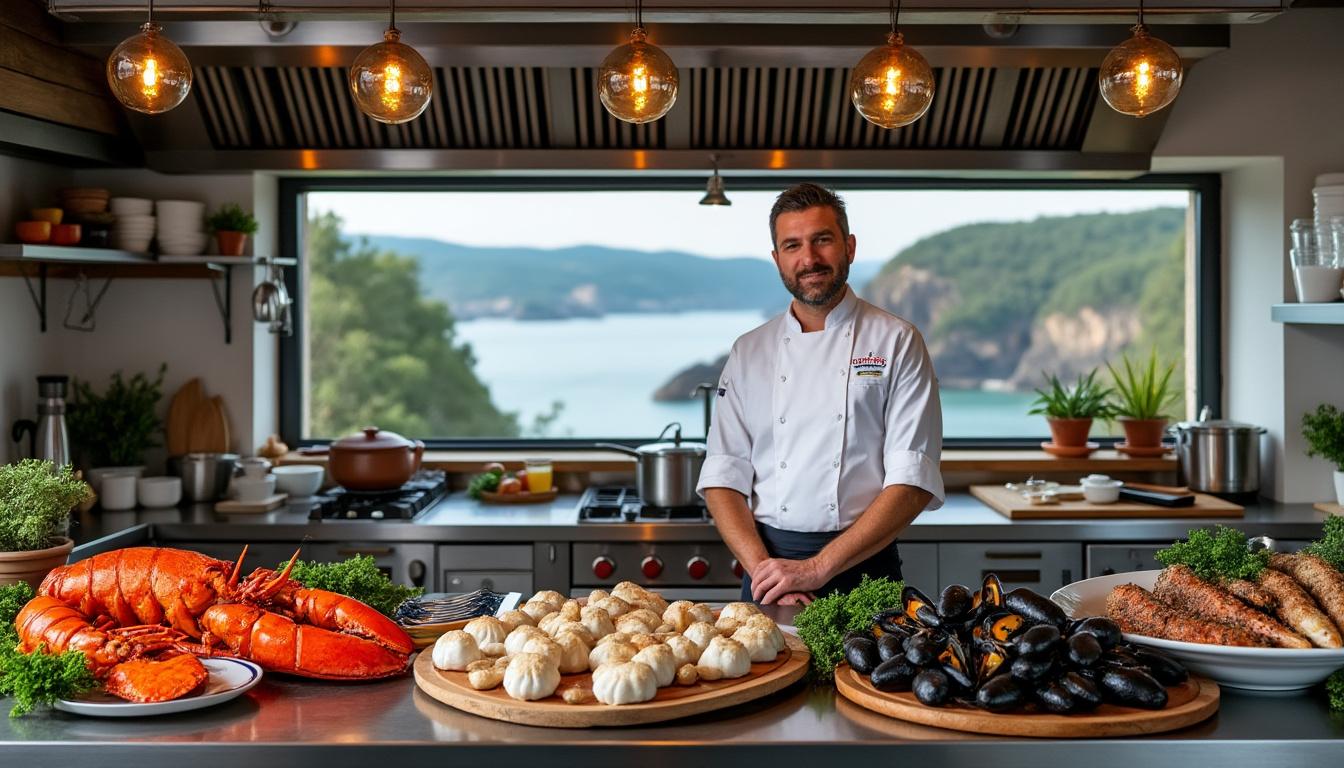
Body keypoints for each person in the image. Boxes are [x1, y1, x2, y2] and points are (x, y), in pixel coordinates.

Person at [695, 182, 944, 606]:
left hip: (865, 570)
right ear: (777, 260)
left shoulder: (897, 341)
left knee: (866, 675)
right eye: (792, 245)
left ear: (848, 246)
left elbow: (912, 479)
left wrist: (814, 569)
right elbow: (723, 474)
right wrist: (768, 573)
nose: (808, 259)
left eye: (822, 240)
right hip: (769, 573)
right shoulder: (749, 351)